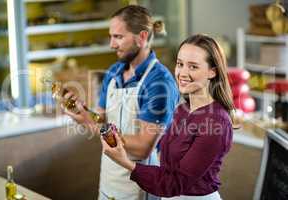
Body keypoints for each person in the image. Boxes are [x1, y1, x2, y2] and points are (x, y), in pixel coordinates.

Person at [63, 5, 179, 200]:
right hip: (109, 180)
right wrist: (81, 114)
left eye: (118, 37)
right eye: (111, 36)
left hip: (141, 186)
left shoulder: (159, 83)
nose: (112, 44)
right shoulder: (114, 72)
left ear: (141, 37)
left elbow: (143, 147)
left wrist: (92, 123)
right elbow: (99, 119)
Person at [101, 34, 235, 200]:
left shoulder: (217, 122)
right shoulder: (182, 109)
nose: (182, 73)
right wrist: (120, 138)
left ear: (212, 72)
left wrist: (125, 162)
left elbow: (176, 182)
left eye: (193, 67)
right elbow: (165, 159)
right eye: (180, 64)